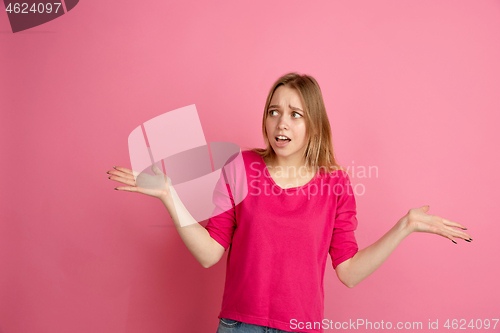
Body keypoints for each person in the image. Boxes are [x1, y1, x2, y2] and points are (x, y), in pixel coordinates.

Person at [107, 72, 472, 333]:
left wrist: (404, 226)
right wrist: (170, 195)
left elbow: (349, 272)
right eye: (274, 111)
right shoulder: (241, 167)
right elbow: (209, 254)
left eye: (295, 114)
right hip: (238, 326)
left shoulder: (335, 183)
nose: (281, 122)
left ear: (313, 123)